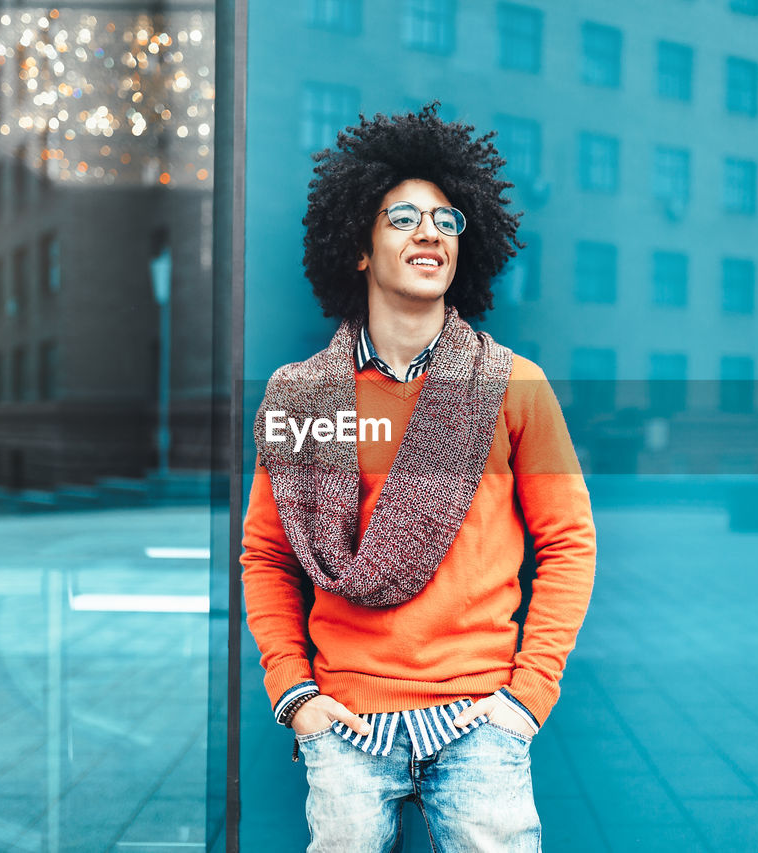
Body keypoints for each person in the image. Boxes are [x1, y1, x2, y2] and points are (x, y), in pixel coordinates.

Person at [241, 103, 596, 852]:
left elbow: (569, 543)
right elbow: (268, 557)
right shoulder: (302, 397)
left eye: (446, 219)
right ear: (360, 247)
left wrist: (526, 699)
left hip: (480, 723)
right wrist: (294, 693)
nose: (430, 231)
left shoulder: (515, 386)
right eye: (402, 217)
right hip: (345, 723)